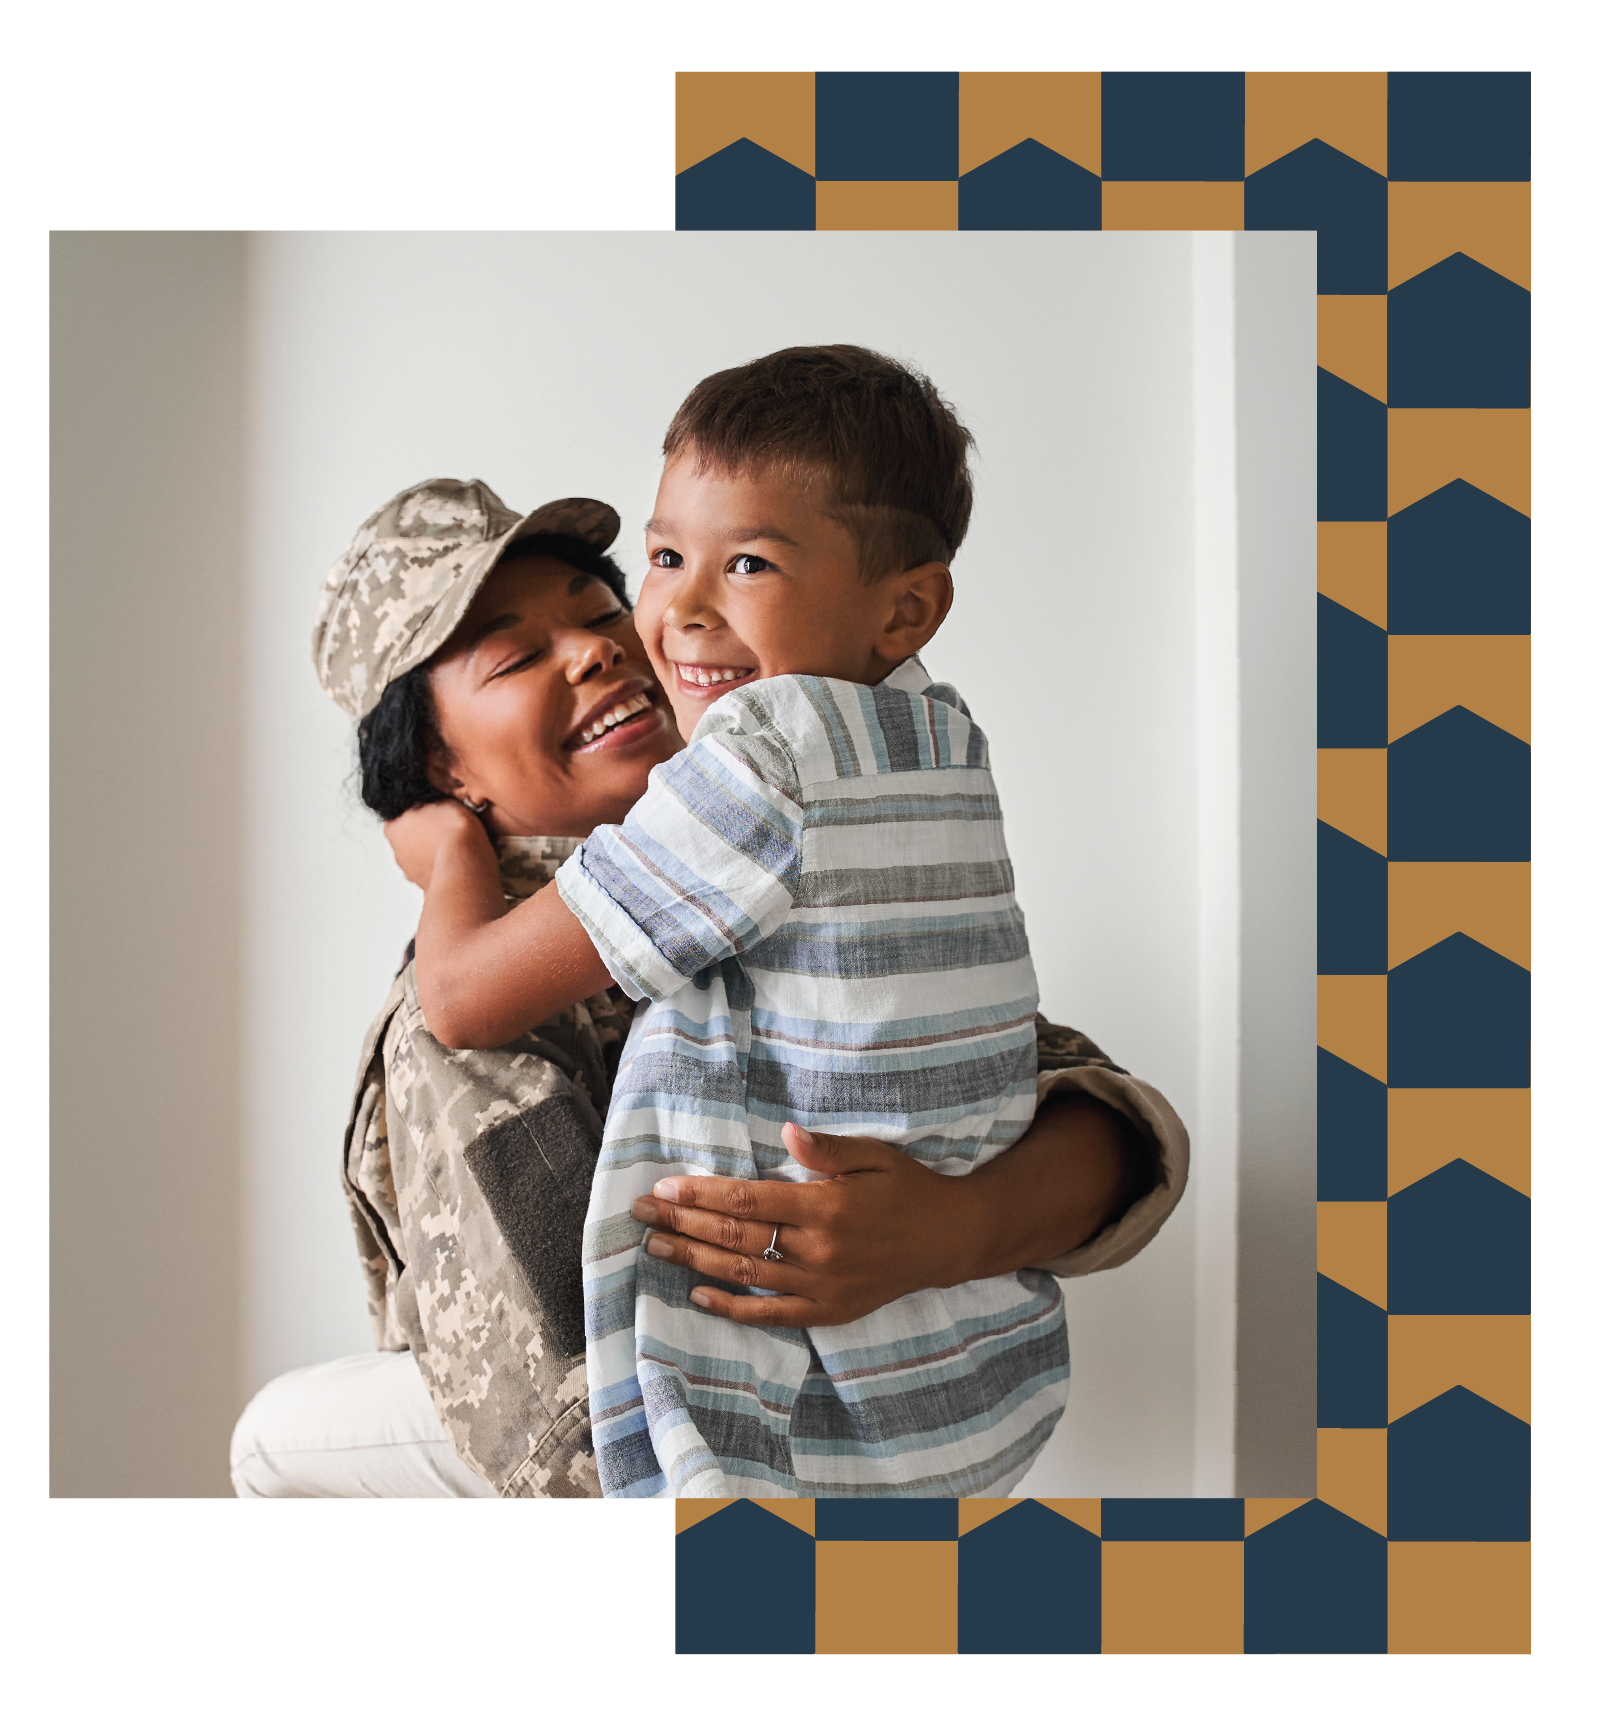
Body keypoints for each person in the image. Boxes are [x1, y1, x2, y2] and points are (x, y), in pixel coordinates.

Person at [231, 471, 1189, 1505]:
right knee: (275, 1439)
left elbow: (1117, 1133)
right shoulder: (478, 1010)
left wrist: (949, 1225)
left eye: (601, 613)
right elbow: (561, 1405)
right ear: (438, 765)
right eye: (514, 655)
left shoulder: (785, 836)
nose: (597, 648)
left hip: (892, 1447)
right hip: (676, 1467)